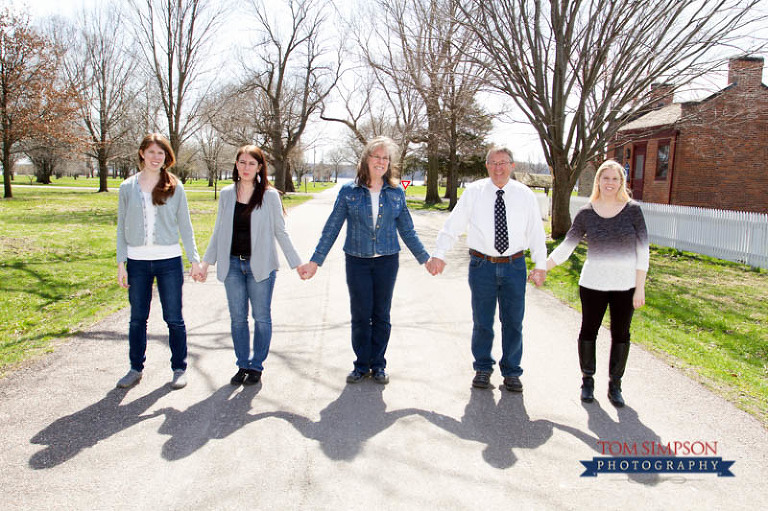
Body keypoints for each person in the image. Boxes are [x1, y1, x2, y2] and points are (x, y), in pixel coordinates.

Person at [299, 136, 431, 385]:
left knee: (381, 313)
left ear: (389, 162)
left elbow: (408, 230)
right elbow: (332, 228)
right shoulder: (349, 191)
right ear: (366, 160)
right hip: (357, 261)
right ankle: (361, 365)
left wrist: (426, 259)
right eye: (376, 156)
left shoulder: (395, 192)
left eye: (385, 158)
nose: (380, 161)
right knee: (361, 314)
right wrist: (315, 261)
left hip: (387, 261)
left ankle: (379, 365)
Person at [426, 146, 547, 392]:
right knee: (482, 321)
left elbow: (536, 233)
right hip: (482, 266)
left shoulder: (525, 195)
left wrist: (540, 265)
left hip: (514, 265)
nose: (498, 167)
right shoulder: (474, 192)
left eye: (503, 162)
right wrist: (439, 254)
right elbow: (454, 224)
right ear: (487, 166)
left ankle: (512, 371)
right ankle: (482, 367)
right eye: (493, 163)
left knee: (513, 321)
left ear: (512, 166)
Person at [546, 159, 649, 407]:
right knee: (588, 330)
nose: (610, 183)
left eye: (615, 179)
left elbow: (643, 251)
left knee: (621, 334)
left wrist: (640, 286)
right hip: (592, 284)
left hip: (625, 286)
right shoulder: (586, 213)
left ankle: (615, 385)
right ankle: (587, 381)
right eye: (606, 178)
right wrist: (543, 268)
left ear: (621, 182)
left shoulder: (633, 210)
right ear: (598, 181)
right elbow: (567, 247)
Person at [198, 145, 303, 386]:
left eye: (251, 163)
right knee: (237, 319)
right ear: (236, 165)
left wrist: (297, 264)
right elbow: (218, 232)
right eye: (242, 162)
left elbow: (280, 232)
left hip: (260, 267)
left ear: (259, 167)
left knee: (261, 317)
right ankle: (242, 364)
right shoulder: (226, 194)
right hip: (232, 266)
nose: (246, 167)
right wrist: (205, 262)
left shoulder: (269, 195)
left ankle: (257, 366)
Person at [116, 133, 201, 390]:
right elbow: (121, 227)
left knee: (173, 317)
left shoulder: (175, 186)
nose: (156, 157)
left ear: (167, 157)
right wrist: (121, 263)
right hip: (138, 262)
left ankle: (179, 368)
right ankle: (135, 368)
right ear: (142, 153)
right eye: (152, 152)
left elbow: (185, 226)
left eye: (161, 153)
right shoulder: (127, 187)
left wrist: (194, 259)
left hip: (168, 261)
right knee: (137, 318)